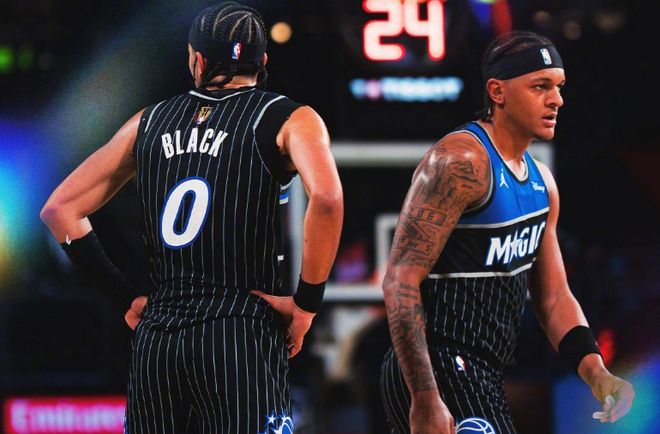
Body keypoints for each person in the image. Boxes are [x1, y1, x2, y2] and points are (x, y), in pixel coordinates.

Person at [40, 2, 343, 433]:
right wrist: (306, 304)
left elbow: (60, 210)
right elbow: (327, 199)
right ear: (263, 62)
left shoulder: (147, 122)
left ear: (197, 60)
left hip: (160, 337)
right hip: (239, 328)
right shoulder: (290, 118)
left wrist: (124, 297)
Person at [379, 31, 634, 434]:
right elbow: (400, 280)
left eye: (559, 87)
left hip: (482, 370)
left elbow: (553, 297)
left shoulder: (542, 183)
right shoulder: (460, 162)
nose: (556, 99)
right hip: (439, 365)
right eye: (540, 87)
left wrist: (596, 373)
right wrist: (425, 396)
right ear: (497, 91)